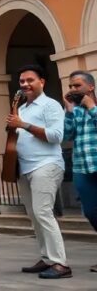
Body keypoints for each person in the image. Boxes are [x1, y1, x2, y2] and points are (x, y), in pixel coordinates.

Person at [9, 64, 71, 279]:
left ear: (41, 82)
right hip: (25, 167)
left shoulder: (50, 105)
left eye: (30, 80)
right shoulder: (22, 108)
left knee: (43, 213)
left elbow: (56, 136)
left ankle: (60, 263)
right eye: (22, 81)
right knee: (34, 215)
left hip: (46, 164)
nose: (25, 84)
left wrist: (23, 125)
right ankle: (46, 258)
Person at [63, 70, 96, 274]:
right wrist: (68, 111)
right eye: (71, 86)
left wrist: (91, 107)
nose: (73, 89)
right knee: (91, 212)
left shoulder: (93, 106)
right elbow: (66, 135)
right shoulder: (74, 111)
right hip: (82, 167)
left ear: (90, 87)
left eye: (77, 86)